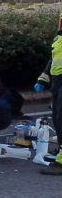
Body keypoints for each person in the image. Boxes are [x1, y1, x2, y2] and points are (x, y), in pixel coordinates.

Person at [38, 12, 62, 176]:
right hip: (57, 82)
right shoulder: (58, 39)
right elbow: (52, 60)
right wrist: (42, 79)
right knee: (57, 118)